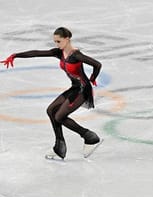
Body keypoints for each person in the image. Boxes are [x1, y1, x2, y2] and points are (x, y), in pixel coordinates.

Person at [1, 27, 103, 160]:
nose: (57, 44)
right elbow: (37, 53)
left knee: (60, 116)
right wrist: (15, 55)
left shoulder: (75, 55)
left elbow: (97, 64)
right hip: (74, 88)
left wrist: (93, 78)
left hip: (83, 90)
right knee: (51, 110)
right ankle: (59, 147)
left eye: (59, 41)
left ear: (67, 39)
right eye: (55, 42)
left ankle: (90, 137)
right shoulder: (59, 53)